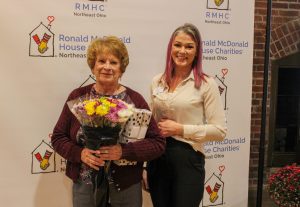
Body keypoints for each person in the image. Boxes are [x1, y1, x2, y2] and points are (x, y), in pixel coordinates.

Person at [51, 36, 165, 207]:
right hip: (85, 184)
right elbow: (58, 137)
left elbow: (158, 143)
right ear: (93, 66)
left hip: (126, 186)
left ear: (121, 69)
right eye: (101, 61)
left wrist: (123, 152)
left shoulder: (134, 100)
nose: (107, 67)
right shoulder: (78, 97)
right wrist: (80, 154)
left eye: (113, 62)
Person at [143, 23, 227, 207]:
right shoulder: (157, 81)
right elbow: (149, 125)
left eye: (189, 46)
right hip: (157, 157)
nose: (182, 51)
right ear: (170, 47)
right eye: (178, 45)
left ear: (197, 52)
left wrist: (180, 129)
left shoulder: (207, 84)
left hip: (188, 159)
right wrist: (144, 164)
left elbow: (220, 131)